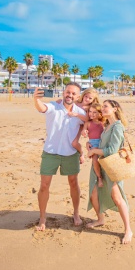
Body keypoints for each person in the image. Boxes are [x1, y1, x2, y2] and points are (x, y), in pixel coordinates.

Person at [33, 82, 86, 231]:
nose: (70, 95)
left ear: (78, 96)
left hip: (70, 154)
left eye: (74, 93)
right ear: (64, 92)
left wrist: (83, 144)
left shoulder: (80, 112)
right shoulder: (53, 106)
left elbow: (90, 121)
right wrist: (36, 99)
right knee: (44, 186)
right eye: (68, 92)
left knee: (74, 183)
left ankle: (76, 213)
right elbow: (42, 107)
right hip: (50, 152)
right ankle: (42, 217)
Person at [86, 99, 133, 244]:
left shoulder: (117, 127)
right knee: (93, 194)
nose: (103, 109)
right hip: (99, 165)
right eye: (103, 107)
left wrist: (94, 150)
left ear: (115, 108)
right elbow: (102, 143)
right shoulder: (107, 125)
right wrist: (91, 145)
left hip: (111, 167)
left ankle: (128, 230)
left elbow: (112, 150)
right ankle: (100, 219)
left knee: (117, 198)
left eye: (106, 106)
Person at [61, 88, 100, 164]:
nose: (87, 99)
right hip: (69, 123)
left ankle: (81, 153)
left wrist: (76, 114)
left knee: (74, 143)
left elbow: (87, 119)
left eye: (90, 98)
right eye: (86, 96)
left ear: (93, 100)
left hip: (80, 125)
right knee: (66, 140)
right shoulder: (76, 102)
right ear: (83, 95)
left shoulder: (89, 108)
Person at [82, 103, 105, 187]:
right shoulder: (88, 123)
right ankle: (99, 178)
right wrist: (84, 132)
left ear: (100, 113)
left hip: (102, 143)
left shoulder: (103, 123)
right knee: (95, 160)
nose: (91, 114)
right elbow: (83, 131)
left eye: (94, 112)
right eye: (90, 111)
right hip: (93, 144)